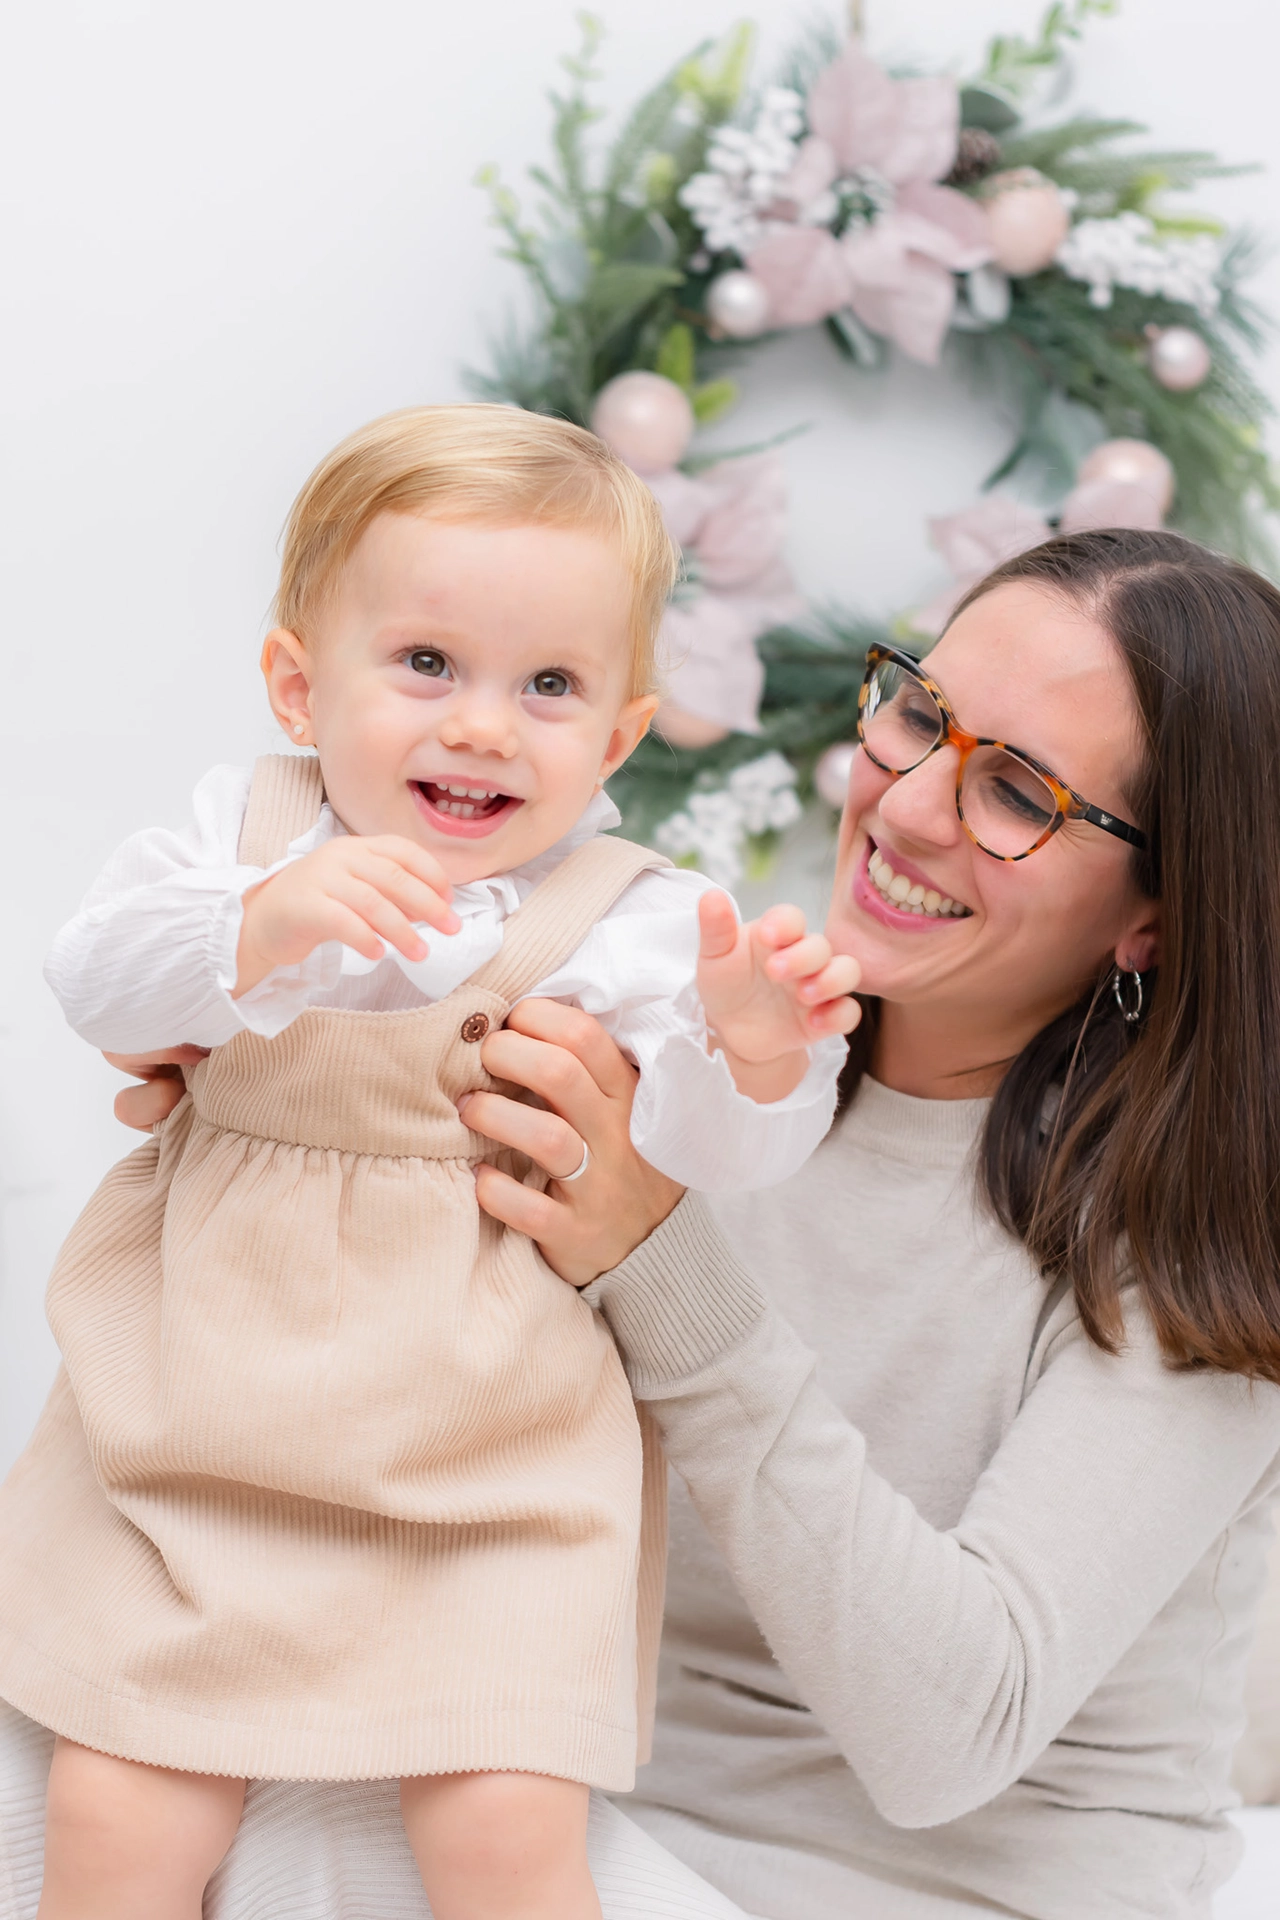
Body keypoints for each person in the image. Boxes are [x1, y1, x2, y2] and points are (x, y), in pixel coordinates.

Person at [2, 523, 1277, 1920]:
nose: (909, 805)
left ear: (1158, 912)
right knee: (86, 1747)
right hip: (581, 1803)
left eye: (1020, 791)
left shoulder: (1199, 1241)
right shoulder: (706, 1041)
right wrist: (281, 1077)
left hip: (910, 1884)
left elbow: (946, 1738)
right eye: (920, 713)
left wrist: (649, 1253)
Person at [0, 404, 859, 1920]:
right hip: (199, 1435)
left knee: (505, 1837)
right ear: (297, 684)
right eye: (425, 666)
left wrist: (757, 1047)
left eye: (548, 685)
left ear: (618, 736)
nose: (480, 724)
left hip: (490, 1477)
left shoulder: (629, 919)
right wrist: (254, 926)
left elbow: (717, 1156)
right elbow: (93, 980)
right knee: (120, 1809)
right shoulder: (244, 837)